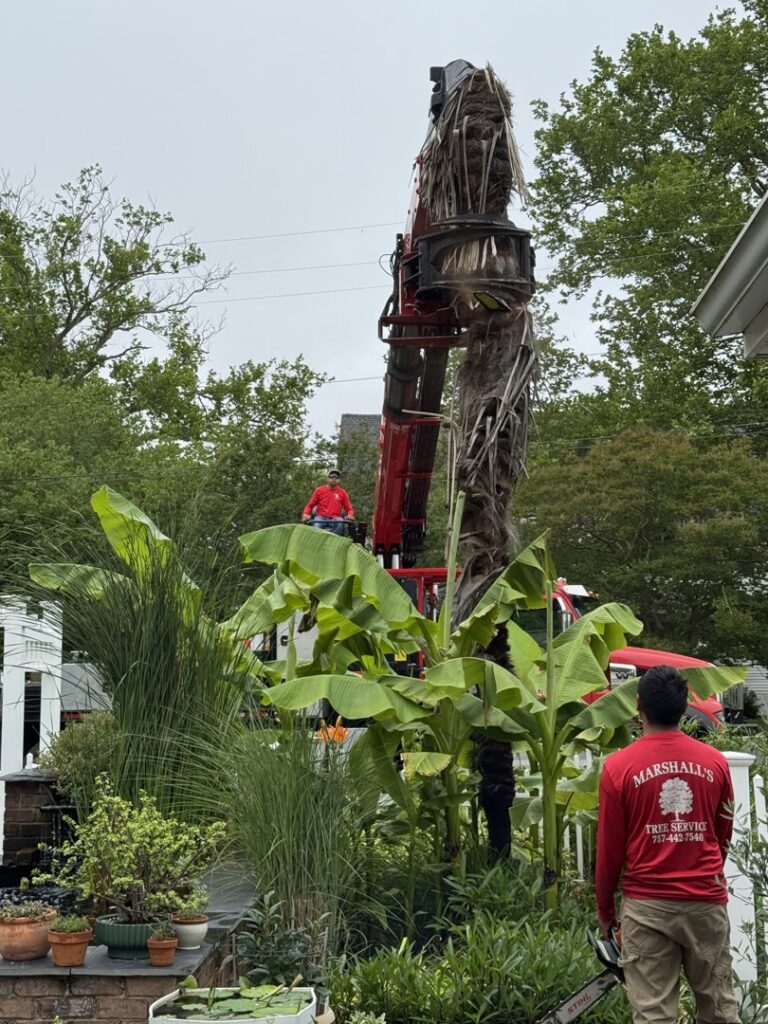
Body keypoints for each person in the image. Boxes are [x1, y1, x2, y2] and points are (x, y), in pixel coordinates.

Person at [595, 665, 738, 1024]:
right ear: (685, 705)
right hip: (704, 901)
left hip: (647, 908)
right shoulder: (715, 764)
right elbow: (723, 833)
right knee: (720, 1010)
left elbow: (609, 854)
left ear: (638, 705)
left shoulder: (619, 768)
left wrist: (607, 916)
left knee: (654, 1015)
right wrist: (704, 874)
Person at [302, 469, 355, 536]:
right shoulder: (319, 490)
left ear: (339, 480)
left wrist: (350, 515)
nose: (334, 478)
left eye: (336, 477)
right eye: (332, 476)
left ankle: (334, 541)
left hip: (335, 518)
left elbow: (349, 509)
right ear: (327, 479)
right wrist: (305, 514)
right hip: (321, 518)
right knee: (316, 526)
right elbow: (309, 506)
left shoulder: (342, 492)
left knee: (340, 523)